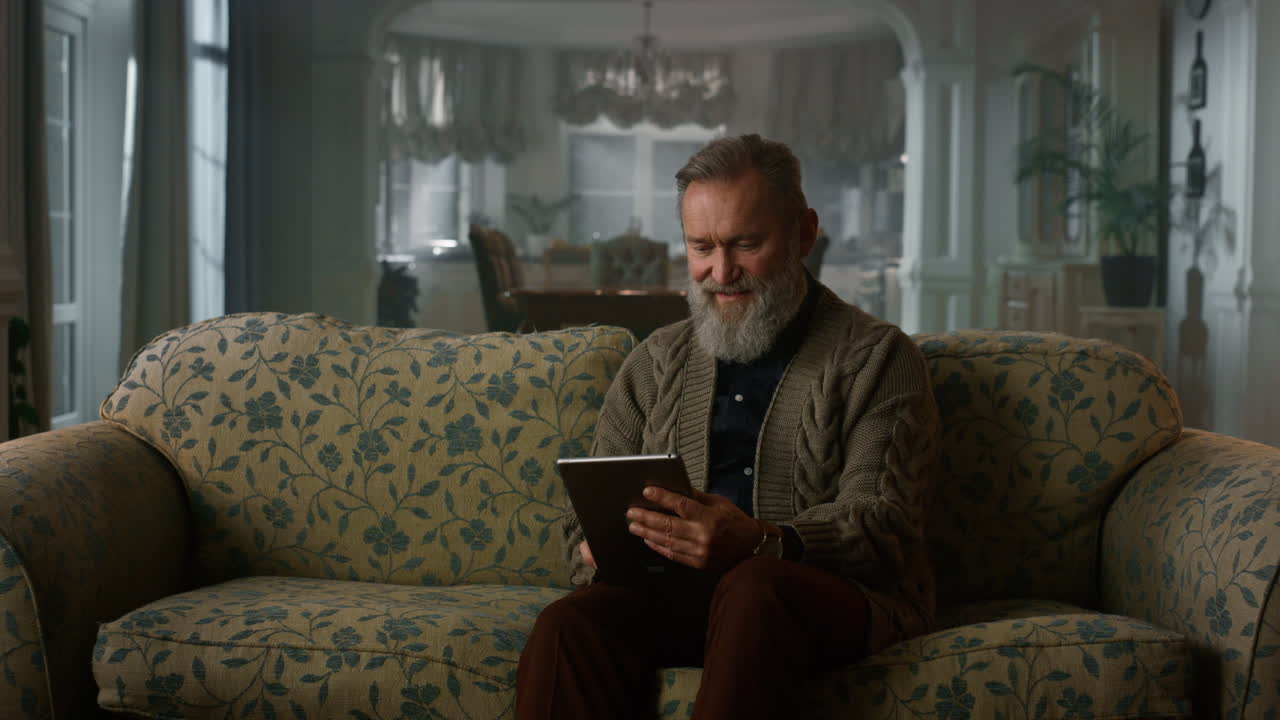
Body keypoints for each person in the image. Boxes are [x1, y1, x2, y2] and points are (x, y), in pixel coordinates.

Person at [516, 134, 941, 720]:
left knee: (754, 587)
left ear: (803, 233)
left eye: (746, 244)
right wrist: (596, 547)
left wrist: (762, 541)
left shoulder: (878, 357)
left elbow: (883, 525)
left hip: (830, 598)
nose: (721, 272)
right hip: (676, 597)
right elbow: (578, 523)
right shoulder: (653, 362)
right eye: (702, 247)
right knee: (569, 624)